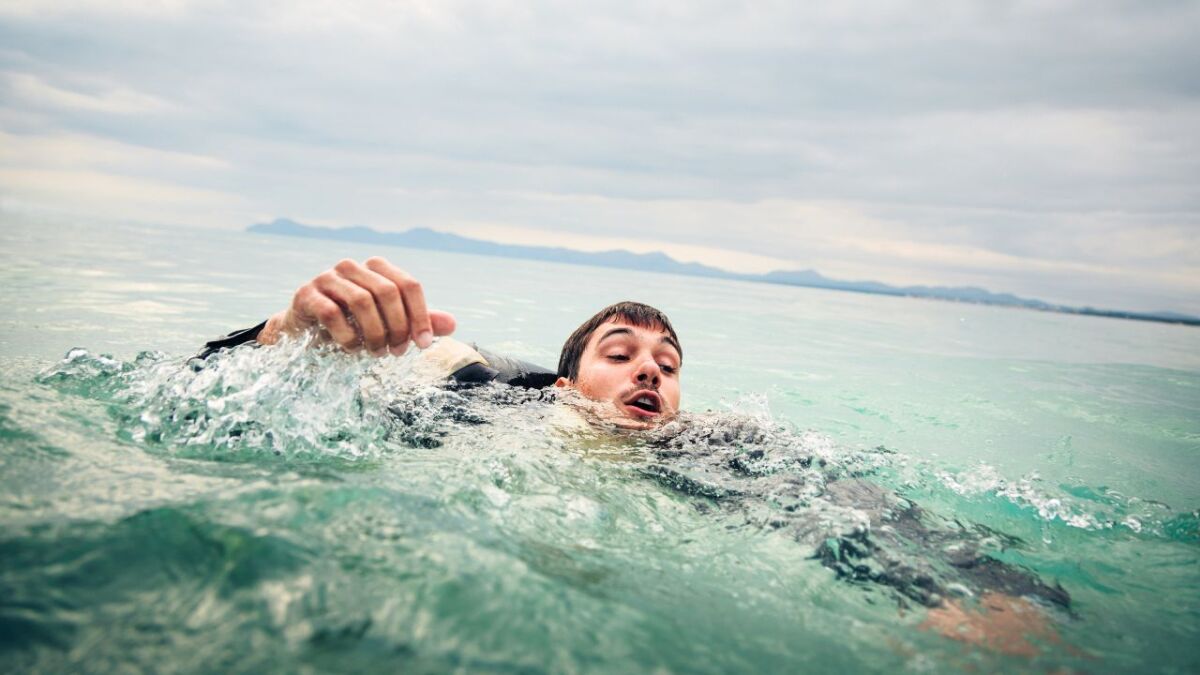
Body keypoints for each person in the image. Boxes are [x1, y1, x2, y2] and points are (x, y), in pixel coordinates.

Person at [200, 256, 1074, 656]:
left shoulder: (710, 450)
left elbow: (847, 507)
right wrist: (287, 338)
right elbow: (216, 404)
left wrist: (988, 590)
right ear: (566, 379)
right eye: (620, 354)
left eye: (666, 366)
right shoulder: (482, 398)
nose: (648, 371)